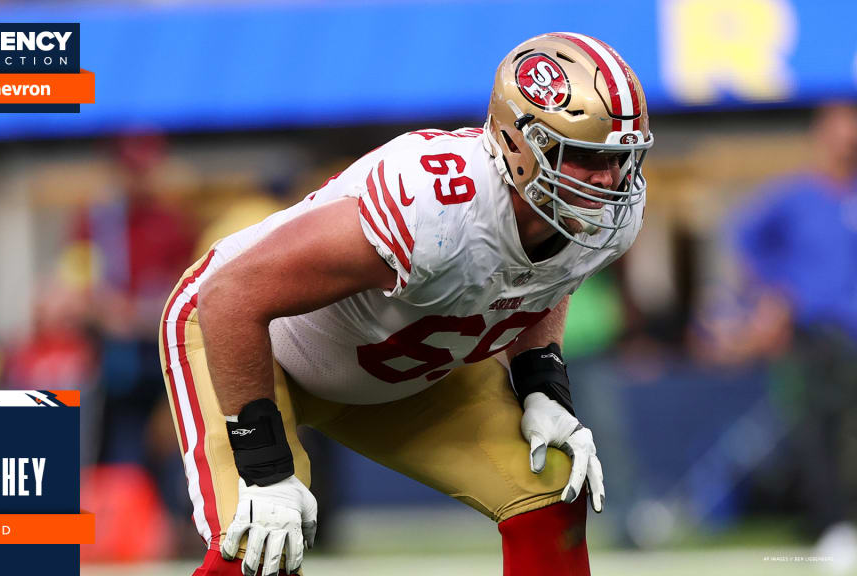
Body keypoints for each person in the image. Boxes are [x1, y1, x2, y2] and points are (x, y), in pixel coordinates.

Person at [160, 32, 653, 576]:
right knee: (261, 546)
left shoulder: (609, 214)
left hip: (398, 364)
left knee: (551, 490)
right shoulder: (434, 207)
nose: (609, 181)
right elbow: (231, 295)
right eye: (586, 156)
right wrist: (264, 466)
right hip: (253, 342)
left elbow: (546, 279)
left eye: (620, 158)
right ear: (519, 143)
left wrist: (542, 381)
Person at [709, 102, 857, 570]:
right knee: (819, 430)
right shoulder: (796, 196)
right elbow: (743, 241)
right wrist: (769, 299)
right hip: (815, 332)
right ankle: (833, 523)